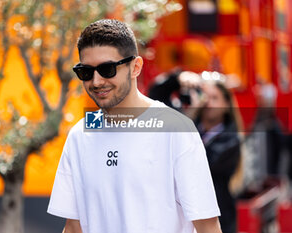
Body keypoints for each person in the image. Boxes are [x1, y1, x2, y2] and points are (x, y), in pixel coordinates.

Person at [48, 19, 222, 233]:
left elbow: (207, 225)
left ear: (135, 67)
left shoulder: (175, 129)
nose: (96, 81)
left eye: (107, 69)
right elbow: (74, 227)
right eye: (86, 72)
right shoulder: (80, 134)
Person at [149, 71, 242, 233]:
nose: (208, 103)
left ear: (227, 104)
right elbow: (155, 95)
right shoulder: (187, 121)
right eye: (205, 96)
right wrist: (178, 79)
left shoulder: (231, 139)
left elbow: (194, 161)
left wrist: (187, 120)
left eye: (215, 98)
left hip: (216, 220)